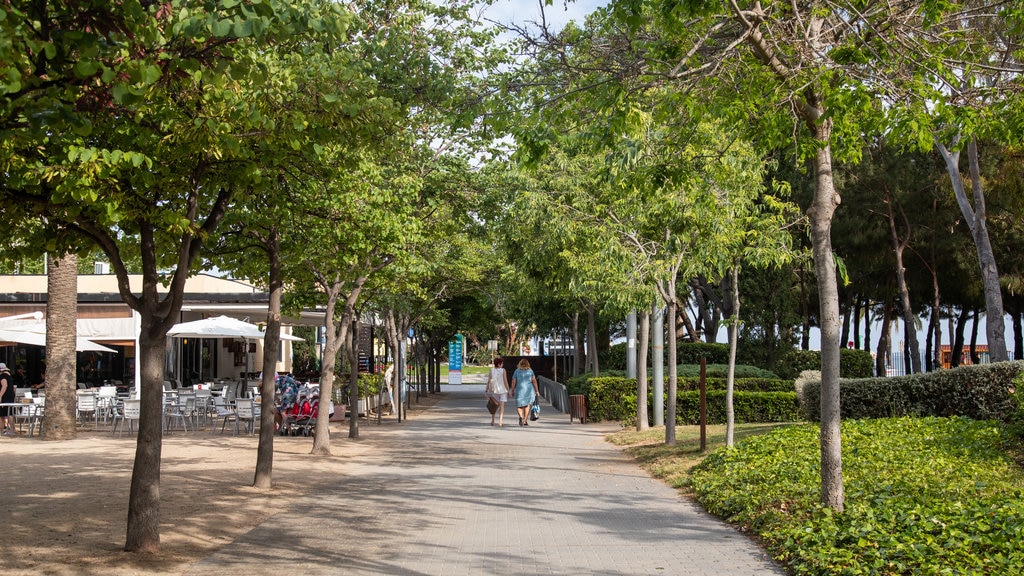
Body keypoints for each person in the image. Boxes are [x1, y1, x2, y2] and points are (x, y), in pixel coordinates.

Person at [511, 358, 539, 427]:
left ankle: (520, 416)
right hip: (529, 390)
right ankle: (525, 421)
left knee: (519, 405)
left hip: (519, 389)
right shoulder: (530, 371)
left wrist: (512, 389)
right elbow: (534, 381)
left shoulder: (517, 371)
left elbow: (514, 381)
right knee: (527, 405)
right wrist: (537, 390)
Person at [485, 358, 509, 426]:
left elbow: (489, 381)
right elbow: (505, 381)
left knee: (494, 405)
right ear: (499, 364)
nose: (502, 364)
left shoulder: (491, 370)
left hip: (494, 390)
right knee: (502, 406)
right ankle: (500, 421)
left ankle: (492, 420)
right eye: (502, 363)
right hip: (503, 390)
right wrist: (508, 389)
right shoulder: (503, 370)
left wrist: (486, 390)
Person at [0, 363, 16, 436]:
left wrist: (0, 395)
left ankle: (1, 430)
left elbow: (4, 385)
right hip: (10, 396)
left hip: (5, 397)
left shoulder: (2, 376)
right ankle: (12, 430)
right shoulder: (9, 376)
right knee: (9, 413)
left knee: (2, 414)